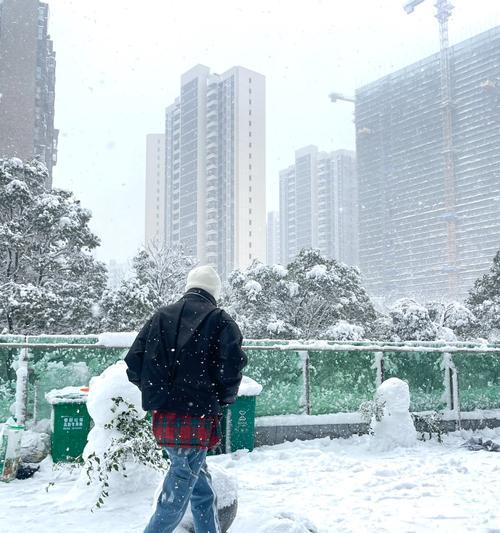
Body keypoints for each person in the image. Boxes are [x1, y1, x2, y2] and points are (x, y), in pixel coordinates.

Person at [125, 265, 247, 533]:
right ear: (213, 291)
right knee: (177, 492)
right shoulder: (221, 321)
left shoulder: (160, 317)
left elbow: (134, 362)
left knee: (199, 485)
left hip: (165, 419)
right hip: (198, 419)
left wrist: (158, 393)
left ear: (189, 286)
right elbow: (232, 368)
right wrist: (221, 398)